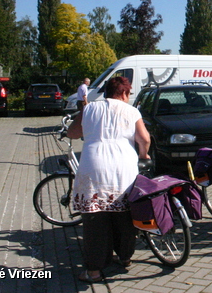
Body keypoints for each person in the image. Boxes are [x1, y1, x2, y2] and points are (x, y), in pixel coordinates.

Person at [67, 76, 151, 283]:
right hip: (123, 168)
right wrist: (143, 155)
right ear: (124, 93)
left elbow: (73, 132)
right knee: (124, 216)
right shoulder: (132, 111)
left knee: (95, 221)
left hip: (93, 167)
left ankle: (94, 271)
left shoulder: (89, 109)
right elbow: (144, 139)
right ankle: (124, 258)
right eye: (129, 93)